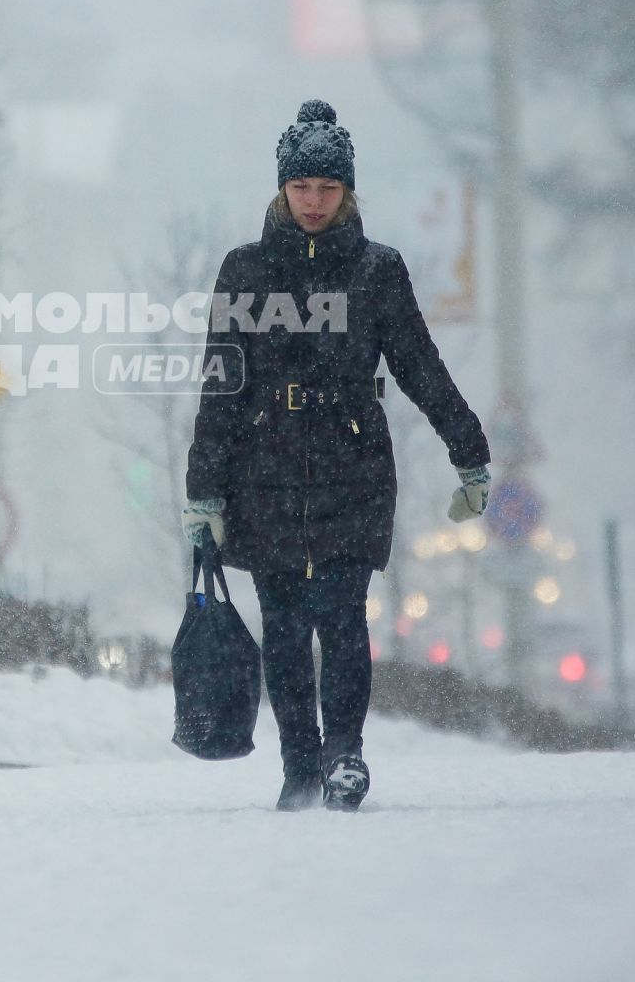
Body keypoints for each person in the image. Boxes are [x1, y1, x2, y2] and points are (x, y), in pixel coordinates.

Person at [181, 99, 491, 812]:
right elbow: (219, 388)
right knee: (285, 628)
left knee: (344, 617)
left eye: (328, 189)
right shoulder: (245, 271)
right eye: (302, 188)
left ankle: (344, 754)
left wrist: (467, 451)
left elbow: (420, 365)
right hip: (266, 472)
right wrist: (204, 494)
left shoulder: (378, 272)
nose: (314, 202)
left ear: (348, 192)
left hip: (353, 471)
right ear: (281, 190)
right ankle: (299, 763)